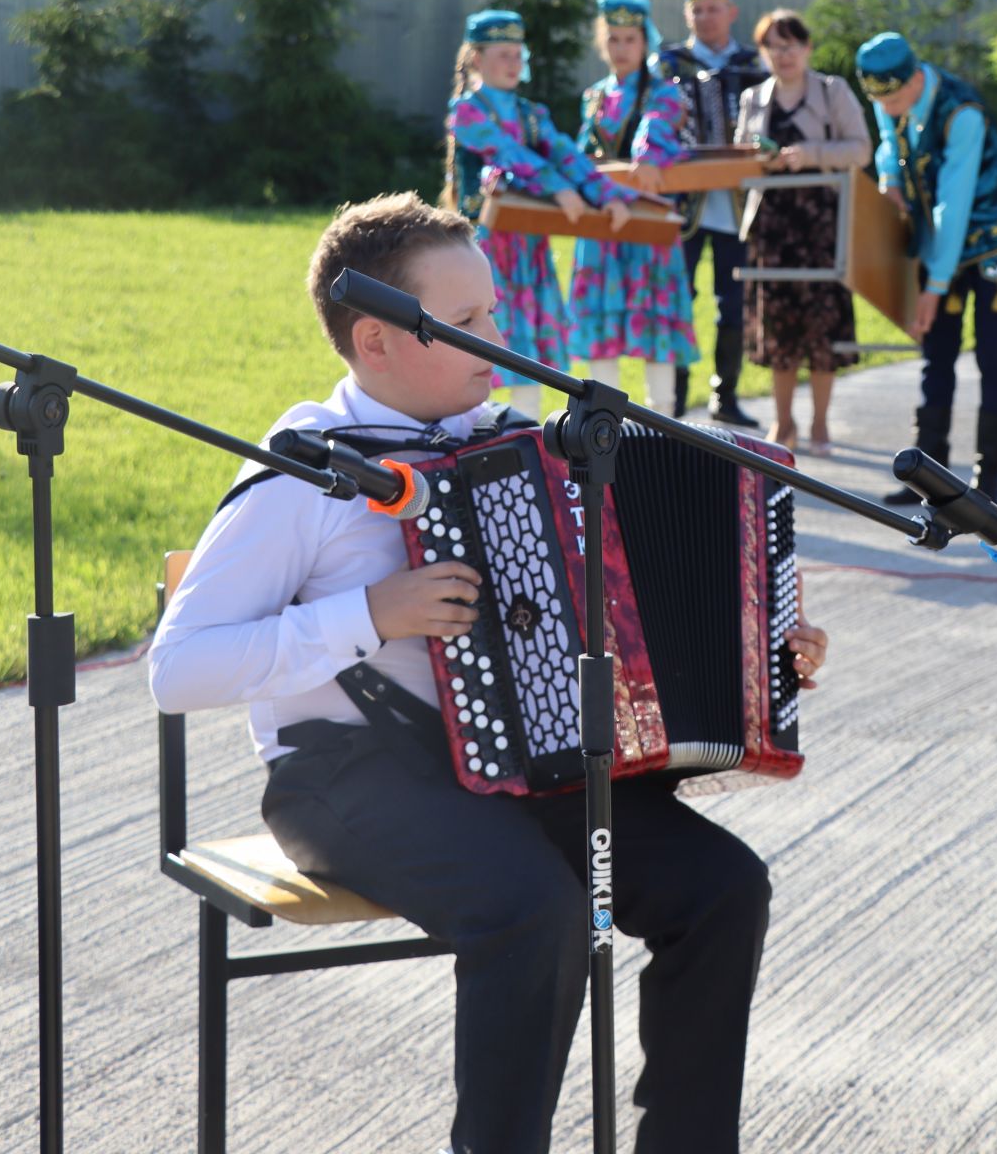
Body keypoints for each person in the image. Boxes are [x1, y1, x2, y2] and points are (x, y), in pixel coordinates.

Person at [148, 191, 832, 1154]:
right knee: (534, 911)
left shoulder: (525, 446)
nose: (495, 339)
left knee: (723, 887)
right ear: (375, 340)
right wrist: (368, 616)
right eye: (462, 322)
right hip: (343, 776)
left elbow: (628, 613)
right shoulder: (304, 476)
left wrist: (760, 647)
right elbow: (177, 669)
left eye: (494, 313)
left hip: (521, 764)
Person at [857, 30, 997, 504]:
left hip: (987, 240)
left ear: (914, 78)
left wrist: (932, 285)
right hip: (939, 239)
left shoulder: (962, 113)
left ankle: (988, 477)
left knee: (991, 352)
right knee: (937, 354)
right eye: (877, 98)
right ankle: (927, 475)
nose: (885, 107)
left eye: (892, 97)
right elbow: (889, 140)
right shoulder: (888, 93)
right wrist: (889, 177)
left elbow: (954, 205)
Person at [444, 8, 632, 423]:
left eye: (518, 53)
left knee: (528, 358)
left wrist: (606, 195)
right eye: (503, 54)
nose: (514, 63)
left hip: (530, 250)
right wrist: (559, 187)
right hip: (483, 254)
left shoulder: (533, 114)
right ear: (477, 59)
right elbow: (511, 156)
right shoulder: (468, 112)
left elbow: (568, 155)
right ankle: (476, 436)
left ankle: (522, 435)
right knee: (482, 351)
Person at [734, 8, 874, 455]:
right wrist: (762, 161)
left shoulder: (833, 92)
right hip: (771, 229)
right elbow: (739, 163)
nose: (783, 54)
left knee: (823, 329)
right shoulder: (753, 99)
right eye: (773, 46)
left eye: (790, 45)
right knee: (779, 330)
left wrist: (809, 155)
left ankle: (819, 423)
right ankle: (783, 423)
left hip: (821, 226)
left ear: (807, 48)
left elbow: (861, 150)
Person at [571, 0, 701, 411]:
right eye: (613, 38)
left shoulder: (664, 92)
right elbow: (578, 157)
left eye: (630, 39)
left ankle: (659, 425)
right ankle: (597, 422)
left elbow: (657, 127)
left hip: (648, 226)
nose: (621, 47)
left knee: (655, 334)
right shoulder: (593, 97)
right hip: (601, 227)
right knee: (600, 335)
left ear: (646, 41)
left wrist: (645, 155)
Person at [655, 0, 770, 427]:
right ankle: (677, 398)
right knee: (678, 297)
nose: (705, 17)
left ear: (732, 12)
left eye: (713, 8)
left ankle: (726, 395)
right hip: (681, 204)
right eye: (697, 10)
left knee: (735, 300)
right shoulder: (668, 64)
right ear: (688, 14)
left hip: (739, 204)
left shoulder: (754, 64)